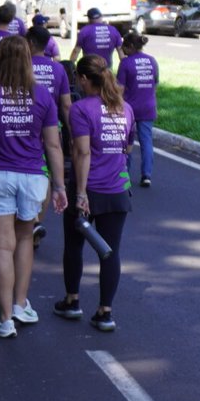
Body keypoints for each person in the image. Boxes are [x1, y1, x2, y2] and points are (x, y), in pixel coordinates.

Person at [0, 36, 68, 338]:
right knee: (24, 240)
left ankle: (4, 319)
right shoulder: (43, 95)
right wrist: (59, 186)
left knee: (0, 246)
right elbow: (53, 145)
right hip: (33, 177)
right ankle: (21, 305)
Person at [58, 55, 134, 332]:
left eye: (78, 78)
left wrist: (79, 193)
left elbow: (81, 152)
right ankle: (105, 312)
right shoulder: (125, 108)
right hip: (118, 190)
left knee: (74, 246)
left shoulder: (80, 109)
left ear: (84, 79)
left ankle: (72, 300)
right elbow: (127, 149)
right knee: (110, 252)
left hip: (89, 189)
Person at [116, 32, 159, 188]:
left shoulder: (126, 64)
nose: (122, 50)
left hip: (129, 109)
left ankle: (125, 173)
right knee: (146, 141)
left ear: (131, 47)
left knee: (126, 142)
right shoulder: (152, 61)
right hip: (148, 107)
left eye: (124, 47)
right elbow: (155, 83)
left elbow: (119, 88)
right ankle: (146, 175)